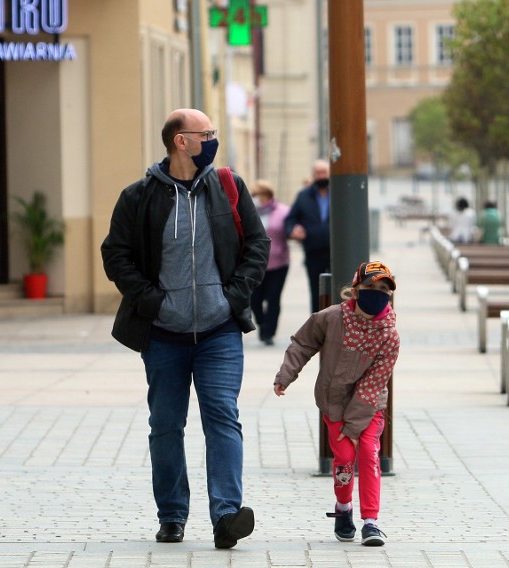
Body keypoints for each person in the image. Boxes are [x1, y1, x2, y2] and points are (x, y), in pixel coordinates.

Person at [100, 108, 270, 549]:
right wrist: (153, 302)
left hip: (219, 331)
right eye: (206, 134)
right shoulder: (138, 197)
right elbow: (115, 255)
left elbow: (258, 244)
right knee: (166, 425)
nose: (212, 140)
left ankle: (227, 516)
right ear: (181, 141)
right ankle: (172, 515)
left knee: (222, 418)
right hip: (163, 336)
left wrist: (232, 296)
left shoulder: (228, 187)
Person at [273, 261, 400, 547]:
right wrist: (286, 375)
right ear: (355, 291)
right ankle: (343, 508)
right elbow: (302, 343)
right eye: (370, 288)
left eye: (383, 289)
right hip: (333, 404)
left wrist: (354, 426)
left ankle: (371, 521)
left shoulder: (389, 334)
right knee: (343, 458)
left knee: (368, 452)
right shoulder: (331, 318)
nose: (377, 294)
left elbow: (373, 384)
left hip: (369, 407)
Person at [286, 159, 331, 312]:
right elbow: (290, 219)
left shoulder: (340, 193)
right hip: (313, 252)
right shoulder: (303, 196)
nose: (321, 176)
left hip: (336, 252)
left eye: (324, 172)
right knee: (316, 290)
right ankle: (318, 324)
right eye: (318, 173)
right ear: (313, 175)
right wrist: (293, 230)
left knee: (338, 288)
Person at [250, 179, 290, 346]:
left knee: (273, 298)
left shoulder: (282, 211)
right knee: (255, 299)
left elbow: (289, 229)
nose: (255, 198)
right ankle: (261, 323)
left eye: (257, 195)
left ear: (267, 195)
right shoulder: (250, 211)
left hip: (278, 263)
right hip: (254, 263)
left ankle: (269, 332)